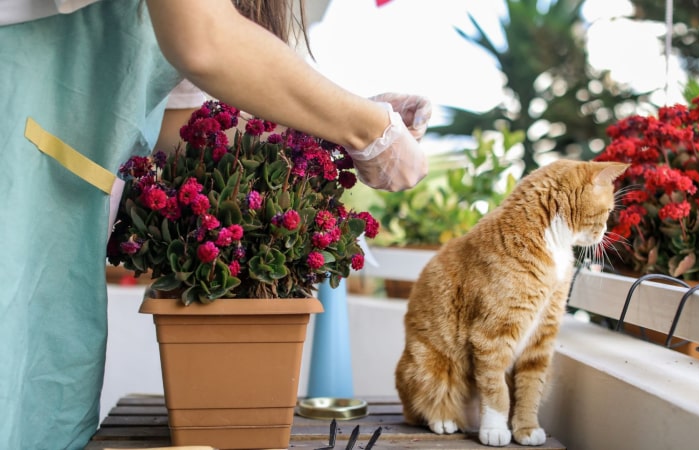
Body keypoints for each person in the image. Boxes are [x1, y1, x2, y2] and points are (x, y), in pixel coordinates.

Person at [0, 1, 430, 449]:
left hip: (52, 244)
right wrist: (367, 128)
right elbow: (204, 39)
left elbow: (182, 129)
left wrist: (340, 127)